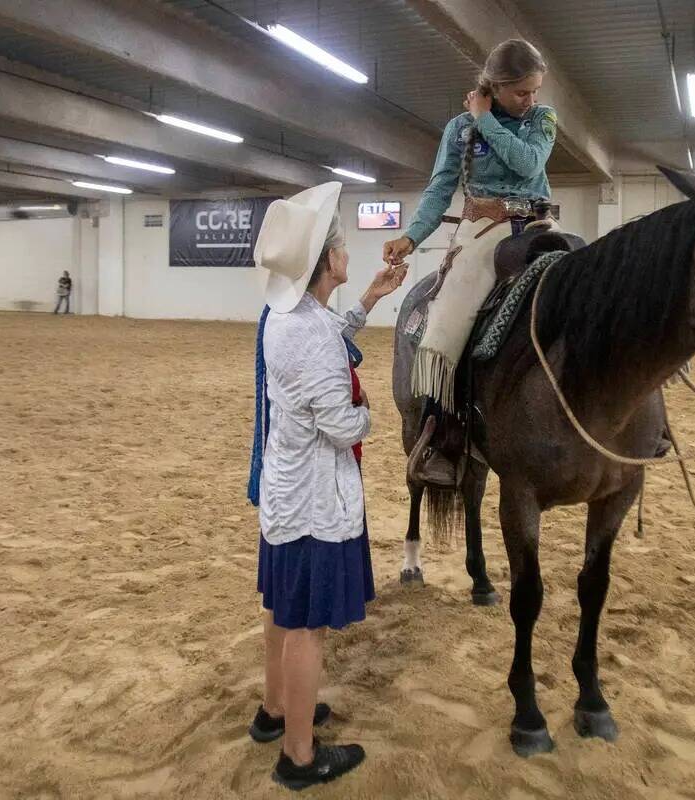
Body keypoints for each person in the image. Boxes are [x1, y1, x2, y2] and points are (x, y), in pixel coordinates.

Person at [246, 181, 407, 791]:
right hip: (314, 498)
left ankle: (275, 709)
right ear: (325, 262)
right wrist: (370, 415)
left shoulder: (290, 314)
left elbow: (328, 338)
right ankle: (299, 756)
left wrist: (368, 298)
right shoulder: (309, 335)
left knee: (281, 610)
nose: (349, 253)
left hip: (287, 493)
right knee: (307, 626)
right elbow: (342, 424)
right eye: (342, 248)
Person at [382, 38, 557, 485]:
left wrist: (485, 119)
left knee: (599, 284)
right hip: (481, 231)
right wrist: (411, 236)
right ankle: (441, 433)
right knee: (445, 322)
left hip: (539, 226)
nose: (531, 100)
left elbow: (527, 163)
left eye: (535, 90)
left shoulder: (543, 119)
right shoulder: (460, 129)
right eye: (521, 92)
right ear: (495, 87)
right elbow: (441, 187)